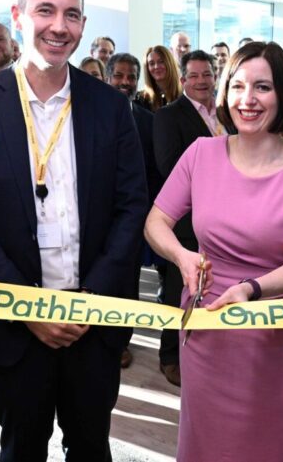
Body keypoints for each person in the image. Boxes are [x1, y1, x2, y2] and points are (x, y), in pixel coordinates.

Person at [0, 0, 148, 461]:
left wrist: (88, 301)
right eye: (45, 11)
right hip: (16, 326)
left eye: (72, 14)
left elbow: (130, 207)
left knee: (91, 447)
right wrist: (31, 308)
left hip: (94, 321)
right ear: (18, 17)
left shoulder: (110, 106)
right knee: (22, 447)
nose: (60, 26)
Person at [144, 41, 283, 462]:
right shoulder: (200, 153)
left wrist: (251, 289)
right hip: (207, 324)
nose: (247, 100)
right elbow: (155, 222)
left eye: (262, 87)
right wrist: (182, 257)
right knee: (206, 443)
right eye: (237, 86)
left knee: (270, 444)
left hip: (277, 331)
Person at [152, 49, 222, 386]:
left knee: (210, 289)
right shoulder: (168, 116)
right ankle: (169, 356)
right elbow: (170, 169)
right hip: (184, 222)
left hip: (223, 221)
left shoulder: (226, 114)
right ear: (182, 81)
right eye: (193, 75)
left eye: (206, 74)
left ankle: (202, 353)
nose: (200, 81)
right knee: (177, 290)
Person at [106, 52, 162, 370]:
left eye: (131, 76)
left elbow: (154, 173)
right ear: (108, 76)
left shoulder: (148, 121)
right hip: (92, 219)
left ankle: (120, 342)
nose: (125, 82)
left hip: (132, 219)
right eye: (119, 76)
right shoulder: (86, 114)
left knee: (128, 282)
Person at [139, 45, 181, 112]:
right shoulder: (141, 100)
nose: (156, 67)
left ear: (170, 63)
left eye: (161, 62)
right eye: (151, 63)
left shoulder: (185, 94)